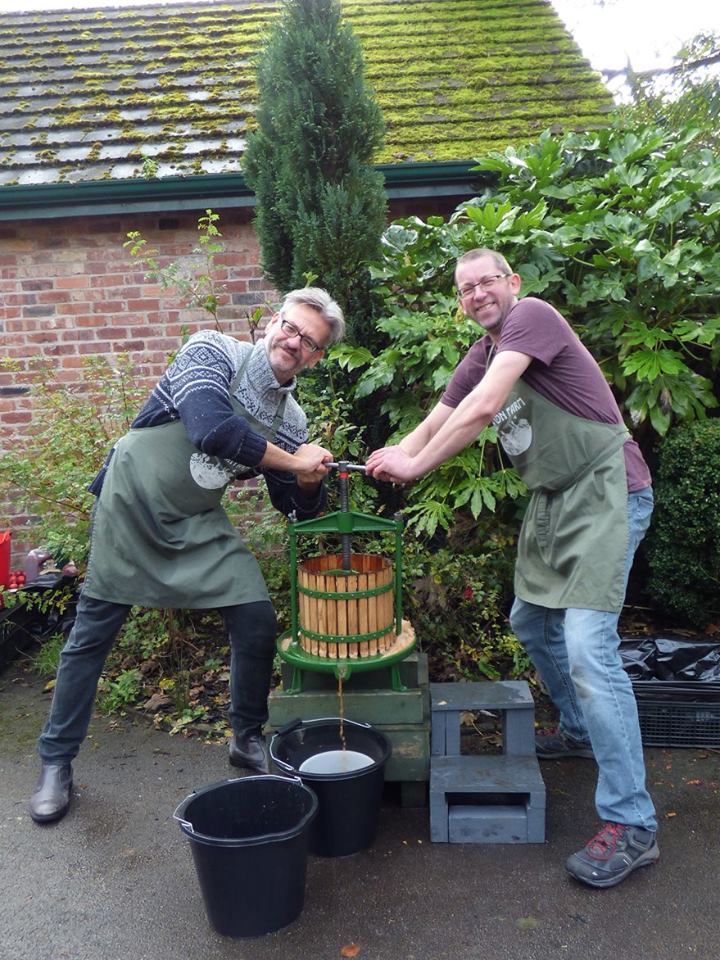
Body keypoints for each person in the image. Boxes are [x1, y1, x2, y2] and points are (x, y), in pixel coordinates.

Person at [366, 248, 658, 889]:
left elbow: (481, 410)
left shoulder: (533, 317)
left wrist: (416, 467)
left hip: (607, 491)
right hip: (554, 501)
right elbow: (440, 417)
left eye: (486, 281)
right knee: (530, 620)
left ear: (512, 283)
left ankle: (632, 822)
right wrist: (393, 454)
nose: (477, 294)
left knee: (588, 650)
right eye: (465, 289)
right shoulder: (481, 353)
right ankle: (579, 731)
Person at [30, 287, 344, 825]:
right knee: (92, 634)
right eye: (291, 328)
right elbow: (210, 429)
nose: (295, 343)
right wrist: (295, 462)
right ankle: (56, 762)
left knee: (255, 617)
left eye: (309, 342)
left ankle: (246, 737)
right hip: (132, 500)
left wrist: (309, 482)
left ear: (316, 358)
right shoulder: (211, 350)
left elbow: (294, 507)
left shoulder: (292, 420)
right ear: (274, 322)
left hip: (197, 519)